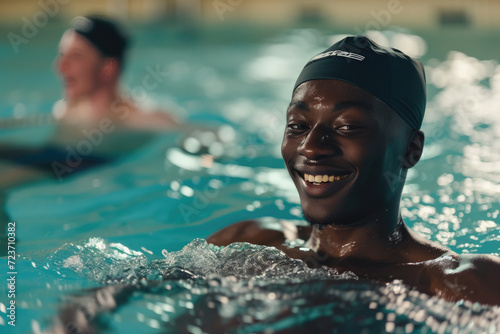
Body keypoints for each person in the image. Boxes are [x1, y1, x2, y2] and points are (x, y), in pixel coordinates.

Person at [208, 35, 500, 306]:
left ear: (411, 149)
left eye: (346, 127)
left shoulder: (461, 284)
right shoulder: (247, 243)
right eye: (298, 126)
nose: (310, 147)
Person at [54, 14, 177, 130]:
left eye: (76, 56)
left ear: (108, 67)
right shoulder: (64, 113)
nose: (61, 66)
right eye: (62, 54)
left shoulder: (147, 123)